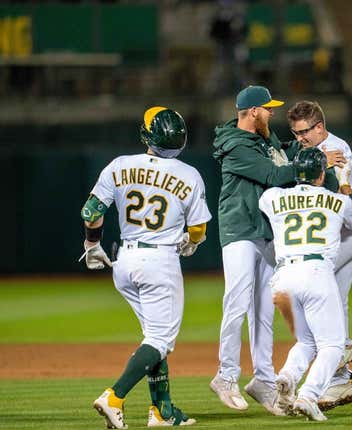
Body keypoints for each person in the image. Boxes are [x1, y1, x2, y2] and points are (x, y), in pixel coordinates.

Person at [210, 85, 339, 414]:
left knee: (264, 312)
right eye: (267, 109)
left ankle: (264, 380)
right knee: (236, 303)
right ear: (253, 112)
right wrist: (315, 162)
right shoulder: (235, 145)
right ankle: (226, 375)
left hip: (264, 232)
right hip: (239, 229)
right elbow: (271, 174)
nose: (272, 113)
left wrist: (308, 145)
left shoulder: (263, 139)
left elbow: (281, 155)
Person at [83, 107, 211, 428]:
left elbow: (91, 210)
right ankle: (114, 397)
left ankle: (162, 411)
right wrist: (191, 241)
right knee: (160, 340)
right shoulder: (189, 174)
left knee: (153, 338)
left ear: (147, 135)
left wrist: (91, 245)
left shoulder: (120, 165)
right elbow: (198, 230)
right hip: (160, 261)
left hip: (124, 261)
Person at [258, 147, 352, 421]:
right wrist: (343, 182)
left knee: (307, 341)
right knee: (332, 345)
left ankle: (287, 376)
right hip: (316, 272)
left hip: (283, 278)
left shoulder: (273, 197)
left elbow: (267, 198)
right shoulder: (337, 201)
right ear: (321, 174)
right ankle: (308, 395)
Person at [286, 101, 352, 410]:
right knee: (333, 297)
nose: (300, 139)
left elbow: (343, 195)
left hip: (349, 233)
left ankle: (342, 351)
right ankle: (340, 382)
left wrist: (323, 163)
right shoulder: (313, 151)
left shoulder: (337, 150)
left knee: (317, 294)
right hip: (336, 236)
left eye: (304, 132)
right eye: (296, 133)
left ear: (319, 127)